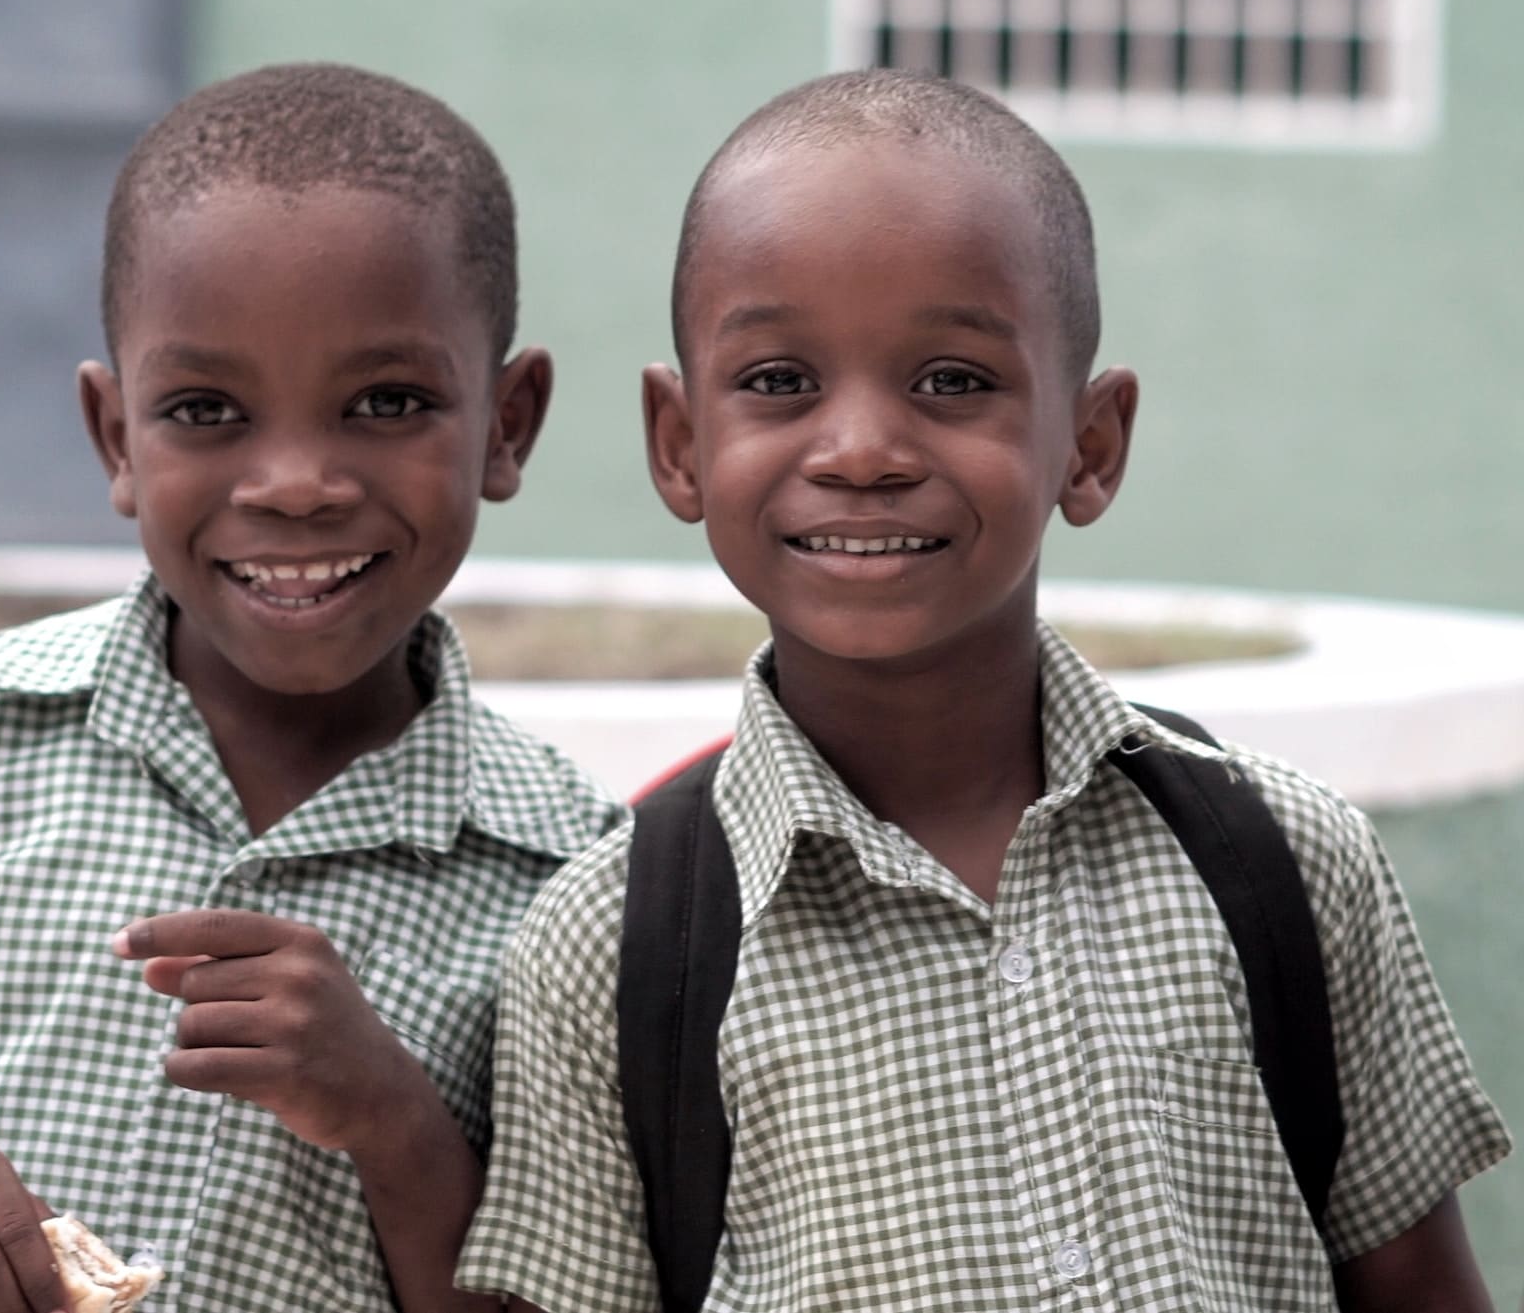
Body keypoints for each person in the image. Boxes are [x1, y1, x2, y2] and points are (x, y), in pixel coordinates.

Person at [456, 69, 1510, 1312]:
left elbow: (1422, 1284)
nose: (860, 451)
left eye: (953, 381)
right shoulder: (614, 948)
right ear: (680, 444)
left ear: (1091, 443)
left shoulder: (1283, 858)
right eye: (780, 381)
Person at [0, 63, 624, 1313]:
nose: (294, 481)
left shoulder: (571, 872)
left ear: (507, 422)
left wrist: (393, 1117)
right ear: (116, 436)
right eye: (206, 409)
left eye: (386, 401)